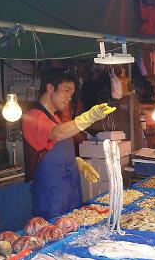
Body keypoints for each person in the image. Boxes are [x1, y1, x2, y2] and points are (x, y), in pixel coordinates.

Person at [22, 68, 116, 219]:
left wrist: (77, 163)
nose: (69, 98)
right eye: (66, 91)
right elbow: (57, 133)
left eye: (71, 94)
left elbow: (53, 146)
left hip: (70, 194)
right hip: (51, 200)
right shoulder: (33, 117)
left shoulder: (56, 118)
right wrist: (88, 118)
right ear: (50, 88)